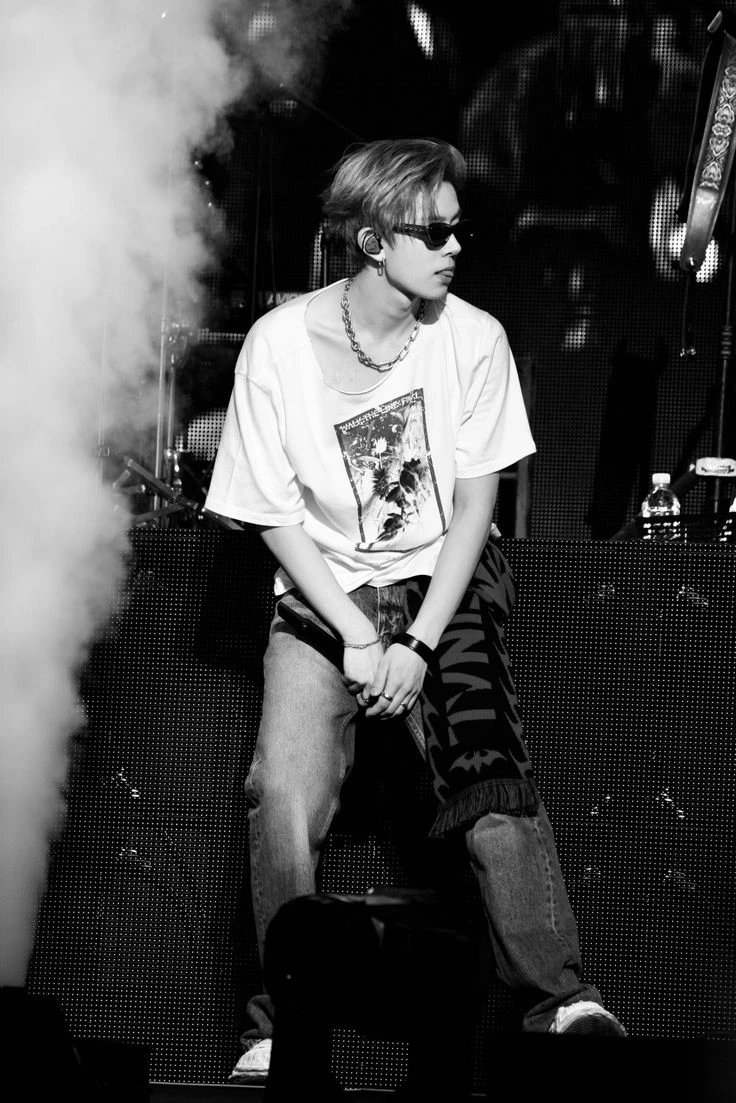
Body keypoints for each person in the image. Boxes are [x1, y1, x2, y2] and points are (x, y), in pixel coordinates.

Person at [204, 136, 627, 1085]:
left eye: (457, 228)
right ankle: (279, 1025)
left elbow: (476, 505)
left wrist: (420, 641)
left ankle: (561, 1001)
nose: (455, 247)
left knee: (488, 767)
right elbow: (269, 513)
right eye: (433, 232)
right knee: (281, 788)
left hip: (444, 582)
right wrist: (358, 635)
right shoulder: (279, 346)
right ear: (371, 241)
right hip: (324, 595)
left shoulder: (472, 338)